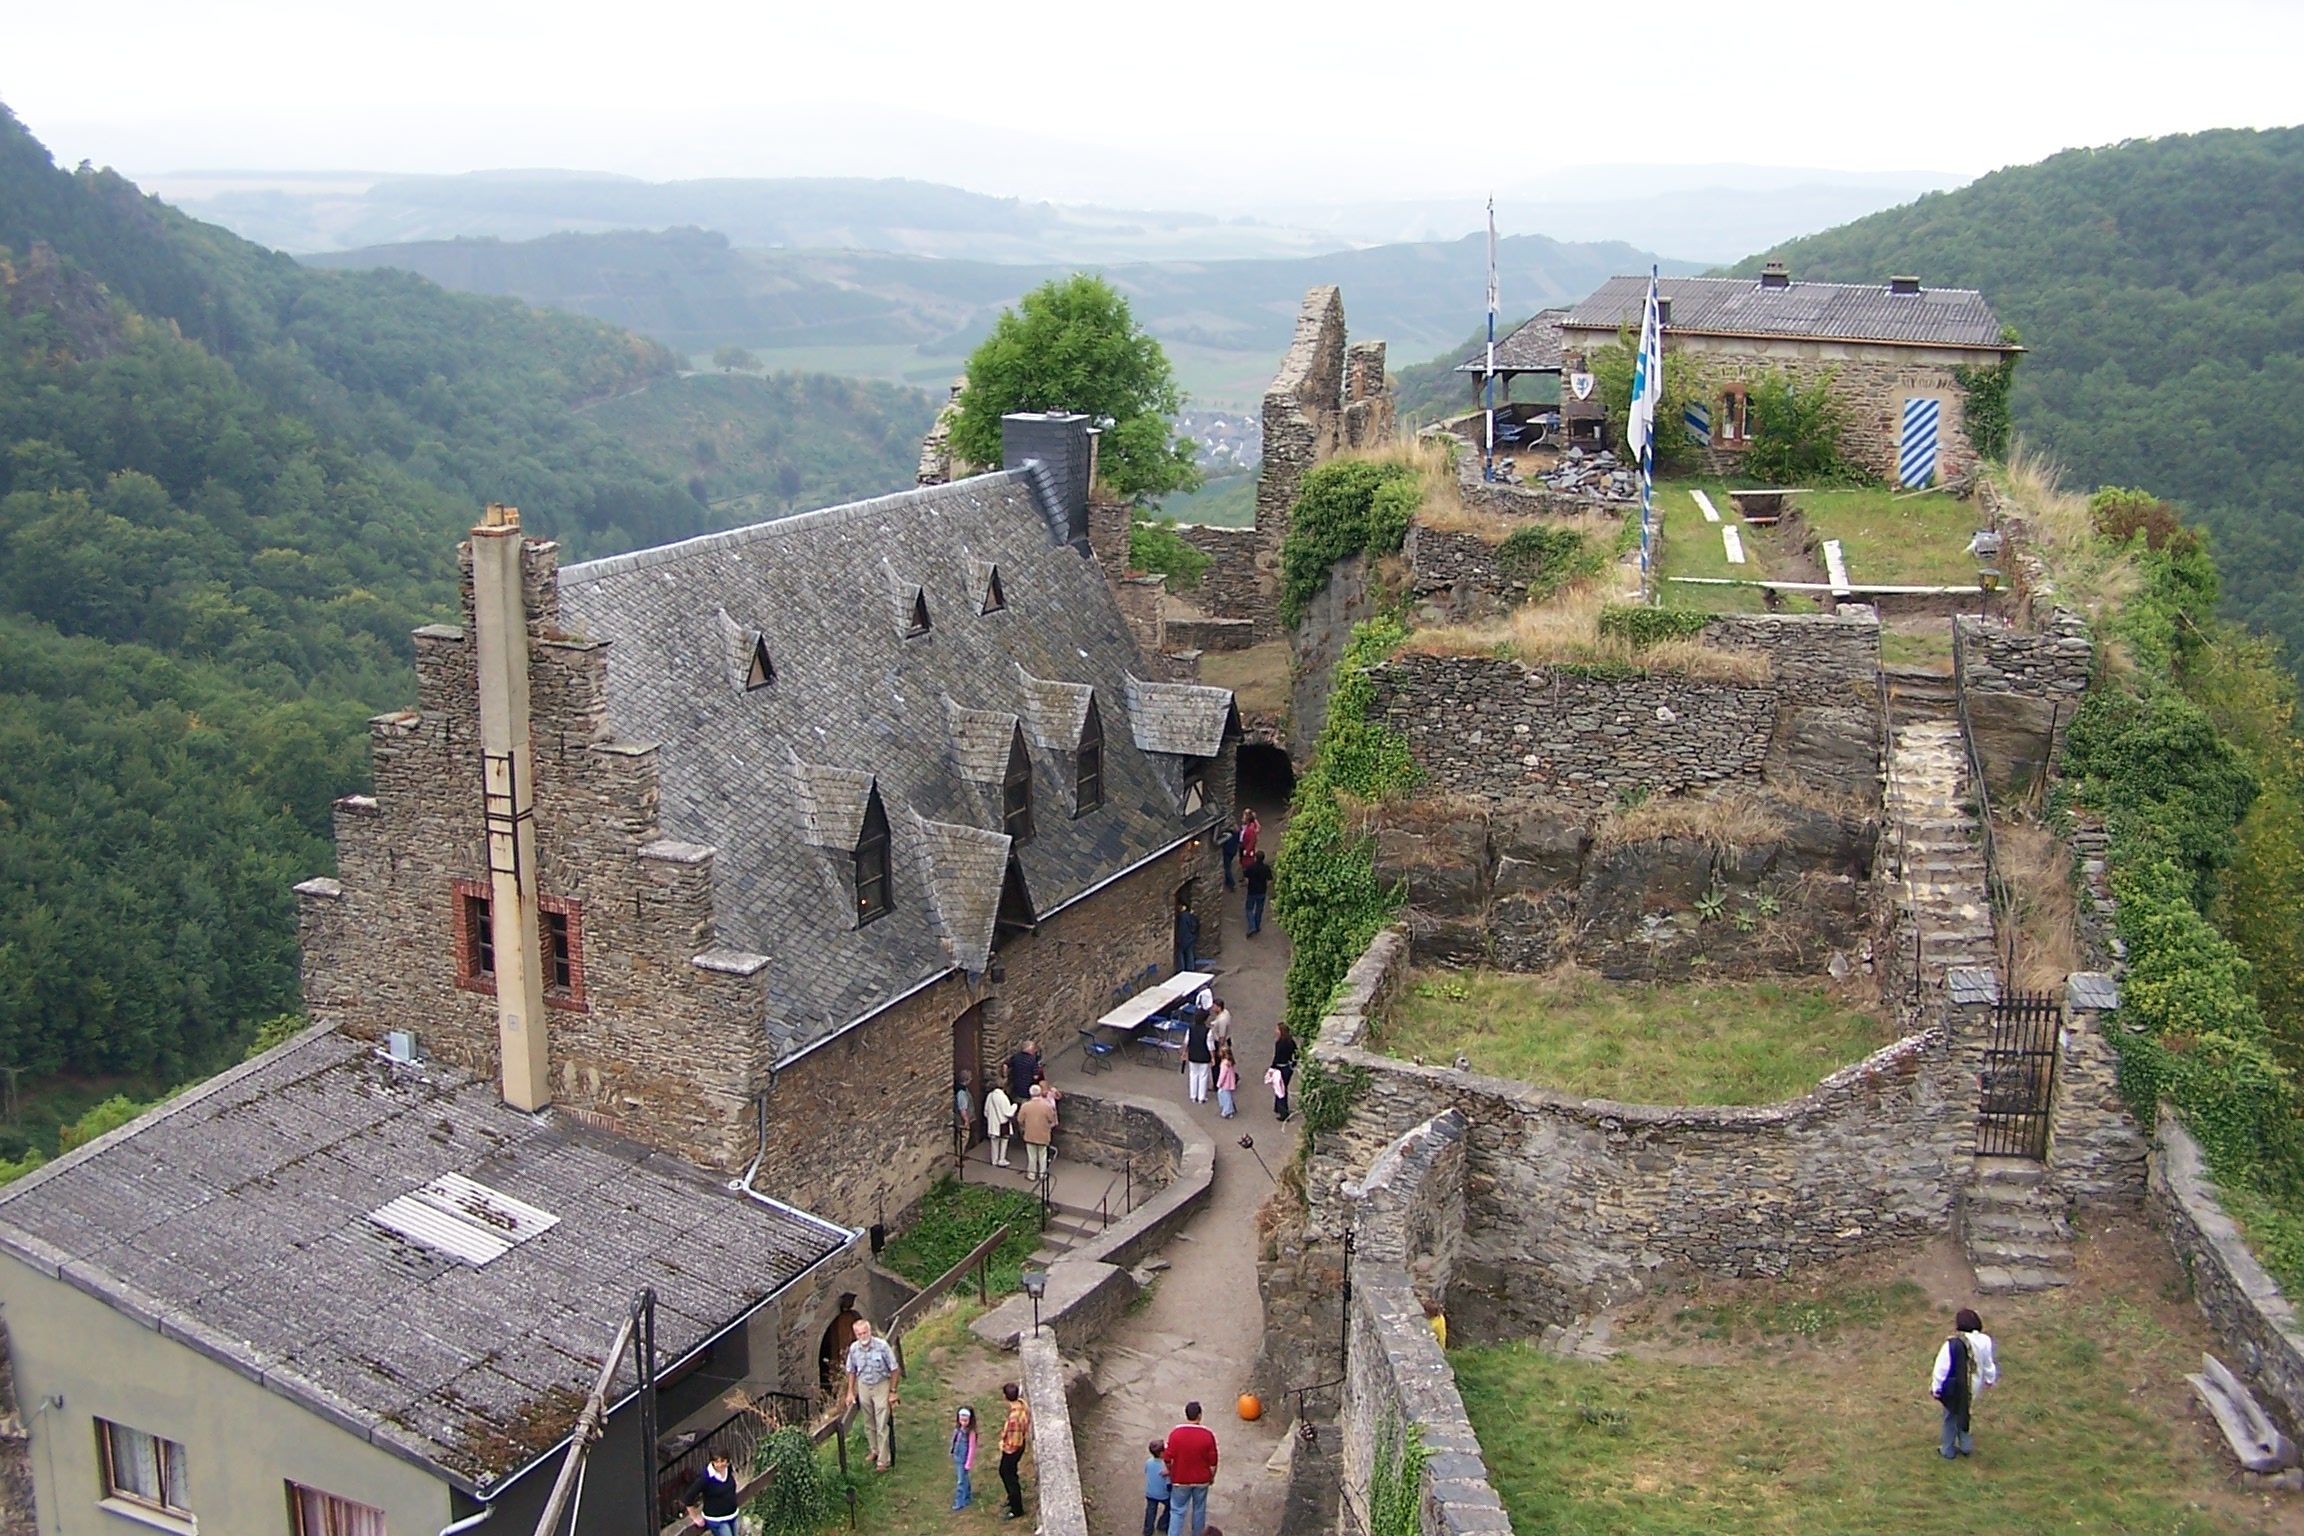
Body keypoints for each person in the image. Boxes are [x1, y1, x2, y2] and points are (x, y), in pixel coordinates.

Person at [1930, 1306, 1999, 1459]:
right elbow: (1988, 1363)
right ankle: (1966, 1446)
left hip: (1956, 1385)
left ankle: (1947, 1449)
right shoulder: (1985, 1341)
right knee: (1965, 1411)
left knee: (1951, 1416)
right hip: (1974, 1384)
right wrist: (1989, 1379)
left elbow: (1941, 1367)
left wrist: (1936, 1387)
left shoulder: (1953, 1343)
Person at [844, 1317, 902, 1471]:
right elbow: (851, 1370)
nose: (863, 1336)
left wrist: (892, 1391)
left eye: (865, 1332)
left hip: (881, 1384)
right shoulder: (854, 1349)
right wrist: (850, 1391)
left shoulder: (882, 1346)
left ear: (870, 1331)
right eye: (859, 1334)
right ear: (856, 1334)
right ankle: (874, 1450)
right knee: (868, 1421)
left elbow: (894, 1369)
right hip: (864, 1385)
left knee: (882, 1421)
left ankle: (884, 1460)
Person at [1163, 1400, 1219, 1536]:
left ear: (1186, 1414)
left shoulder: (1176, 1433)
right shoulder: (1207, 1435)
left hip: (1180, 1479)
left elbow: (1167, 1458)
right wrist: (1211, 1477)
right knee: (1199, 1509)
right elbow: (1213, 1462)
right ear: (1200, 1415)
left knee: (1177, 1511)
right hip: (1201, 1480)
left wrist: (1171, 1471)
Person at [683, 1450, 740, 1536]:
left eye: (722, 1461)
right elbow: (688, 1497)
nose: (720, 1464)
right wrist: (695, 1517)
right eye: (716, 1461)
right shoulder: (706, 1478)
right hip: (717, 1520)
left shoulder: (728, 1469)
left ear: (727, 1461)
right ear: (712, 1462)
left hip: (733, 1515)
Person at [998, 1381, 1032, 1520]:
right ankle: (1012, 1499)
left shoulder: (1014, 1418)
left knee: (1008, 1475)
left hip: (1013, 1449)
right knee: (1009, 1473)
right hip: (1021, 1444)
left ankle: (1016, 1508)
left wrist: (1003, 1445)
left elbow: (1013, 1440)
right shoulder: (1022, 1405)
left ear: (1005, 1397)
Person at [1016, 1083, 1059, 1181]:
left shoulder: (1025, 1106)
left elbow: (1019, 1119)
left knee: (1032, 1156)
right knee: (1043, 1155)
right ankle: (1042, 1175)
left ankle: (1031, 1175)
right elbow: (1052, 1120)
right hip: (1043, 1134)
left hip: (1030, 1134)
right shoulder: (1047, 1106)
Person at [950, 1405, 979, 1510]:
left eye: (965, 1420)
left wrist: (968, 1463)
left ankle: (959, 1501)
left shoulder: (970, 1433)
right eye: (961, 1420)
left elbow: (972, 1448)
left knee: (960, 1481)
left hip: (964, 1460)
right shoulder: (958, 1429)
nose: (963, 1422)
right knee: (964, 1478)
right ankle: (967, 1497)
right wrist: (952, 1451)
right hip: (958, 1458)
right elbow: (955, 1441)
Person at [984, 1080, 1018, 1169]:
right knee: (1004, 1141)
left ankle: (994, 1160)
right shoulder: (1003, 1097)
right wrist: (1014, 1106)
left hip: (993, 1124)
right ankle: (1001, 1159)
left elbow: (986, 1112)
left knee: (994, 1142)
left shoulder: (990, 1096)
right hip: (1003, 1124)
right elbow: (1008, 1113)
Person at [1142, 1438, 1173, 1535]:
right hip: (1163, 1493)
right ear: (1161, 1453)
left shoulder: (1148, 1462)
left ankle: (1148, 1530)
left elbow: (1146, 1471)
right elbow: (1169, 1482)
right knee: (1171, 1507)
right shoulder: (1166, 1465)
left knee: (1150, 1512)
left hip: (1150, 1492)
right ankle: (1162, 1524)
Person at [1184, 1008, 1213, 1104]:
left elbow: (1186, 1042)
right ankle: (1201, 1097)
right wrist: (1212, 1057)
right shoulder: (1208, 1031)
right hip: (1204, 1056)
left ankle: (1193, 1096)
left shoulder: (1190, 1028)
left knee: (1193, 1074)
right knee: (1203, 1076)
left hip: (1193, 1054)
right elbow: (1210, 1046)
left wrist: (1185, 1052)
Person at [1242, 850, 1274, 937]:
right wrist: (1265, 886)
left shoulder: (1250, 867)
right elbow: (1270, 880)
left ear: (1255, 858)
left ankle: (1252, 926)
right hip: (1262, 892)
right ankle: (1257, 926)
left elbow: (1246, 879)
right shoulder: (1266, 868)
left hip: (1252, 891)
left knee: (1249, 909)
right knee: (1259, 910)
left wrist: (1247, 885)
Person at [1271, 1023, 1297, 1121]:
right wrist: (1293, 1063)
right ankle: (1278, 1107)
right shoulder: (1291, 1041)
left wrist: (1272, 1068)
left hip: (1280, 1068)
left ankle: (1283, 1112)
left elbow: (1277, 1058)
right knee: (1282, 1087)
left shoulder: (1279, 1043)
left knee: (1280, 1089)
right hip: (1288, 1068)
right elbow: (1296, 1053)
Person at [1005, 1040, 1041, 1105]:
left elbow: (1006, 1065)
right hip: (1027, 1090)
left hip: (1016, 1088)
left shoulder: (1016, 1057)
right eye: (1033, 1049)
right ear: (1030, 1049)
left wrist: (1005, 1075)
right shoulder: (1032, 1060)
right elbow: (1035, 1077)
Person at [1215, 1040, 1239, 1119]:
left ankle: (1227, 1111)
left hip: (1225, 1083)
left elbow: (1222, 1075)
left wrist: (1219, 1083)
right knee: (1228, 1095)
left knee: (1225, 1096)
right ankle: (1231, 1109)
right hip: (1230, 1082)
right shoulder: (1230, 1062)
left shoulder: (1224, 1064)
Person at [1174, 902, 1200, 973]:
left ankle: (1181, 969)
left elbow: (1182, 929)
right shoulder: (1190, 915)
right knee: (1189, 952)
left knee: (1180, 953)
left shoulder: (1182, 917)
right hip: (1191, 938)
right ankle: (1191, 968)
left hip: (1184, 938)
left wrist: (1178, 938)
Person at [953, 1070, 975, 1145]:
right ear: (966, 1080)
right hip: (961, 1120)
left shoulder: (960, 1089)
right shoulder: (961, 1093)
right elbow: (962, 1108)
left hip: (960, 1119)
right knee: (963, 1138)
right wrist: (966, 1120)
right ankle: (960, 1155)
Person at [1218, 819, 1241, 890]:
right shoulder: (1238, 833)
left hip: (1228, 852)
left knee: (1227, 868)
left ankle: (1232, 883)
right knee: (1228, 865)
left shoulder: (1229, 835)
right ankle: (1228, 881)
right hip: (1233, 851)